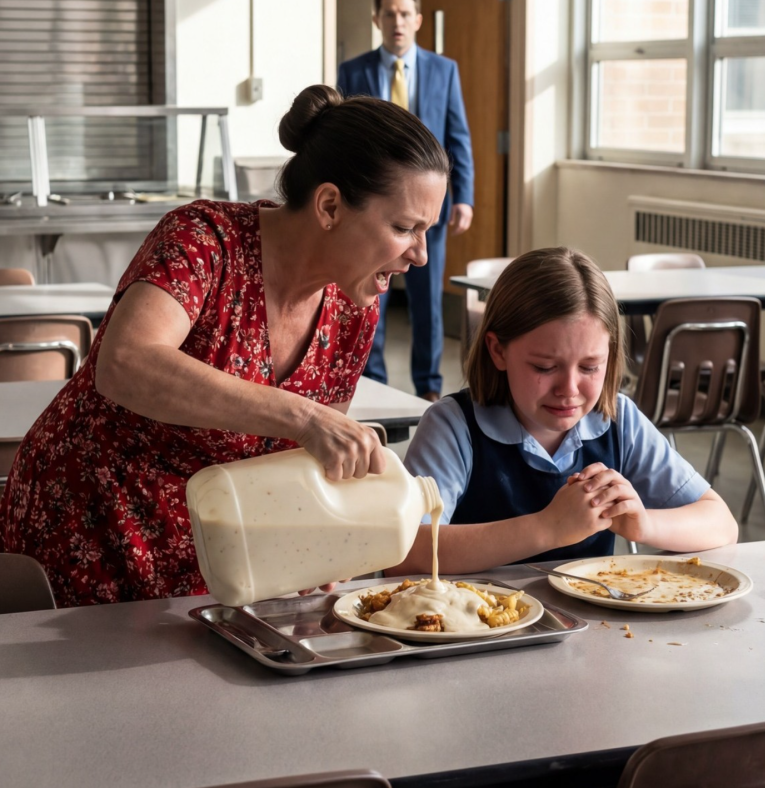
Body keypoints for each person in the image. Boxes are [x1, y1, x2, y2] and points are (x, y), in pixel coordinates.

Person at [0, 85, 450, 607]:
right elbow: (125, 363)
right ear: (329, 206)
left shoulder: (355, 307)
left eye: (427, 231)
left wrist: (318, 537)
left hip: (213, 551)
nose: (420, 255)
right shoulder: (204, 240)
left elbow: (302, 464)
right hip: (86, 526)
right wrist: (304, 417)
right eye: (404, 228)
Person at [390, 247, 738, 575]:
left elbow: (721, 523)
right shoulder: (454, 426)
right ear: (498, 351)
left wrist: (644, 524)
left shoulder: (619, 421)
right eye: (544, 367)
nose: (569, 389)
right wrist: (547, 528)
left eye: (590, 367)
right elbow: (403, 555)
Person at [337, 0, 474, 402]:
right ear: (377, 20)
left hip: (429, 208)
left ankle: (428, 387)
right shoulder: (353, 71)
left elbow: (458, 137)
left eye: (404, 13)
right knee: (370, 292)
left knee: (427, 300)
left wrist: (464, 197)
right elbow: (345, 139)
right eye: (389, 13)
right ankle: (373, 381)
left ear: (417, 20)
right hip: (375, 207)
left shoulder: (443, 70)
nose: (396, 21)